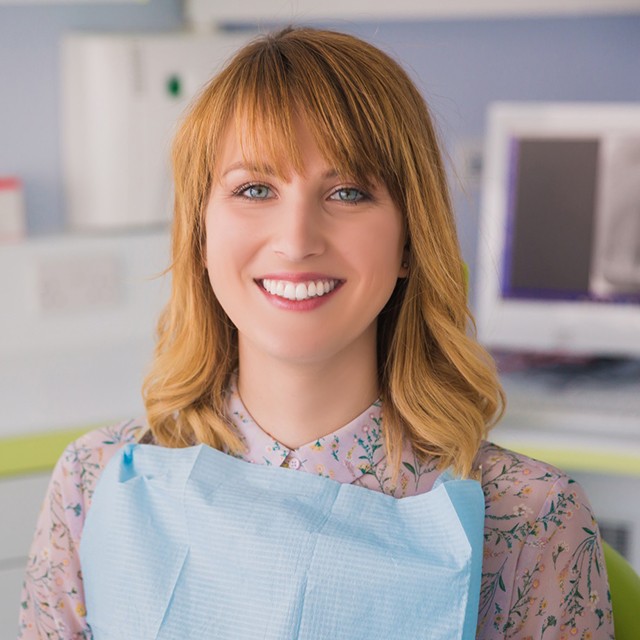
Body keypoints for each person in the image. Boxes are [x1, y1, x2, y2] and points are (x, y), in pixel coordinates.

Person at [18, 26, 613, 639]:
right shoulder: (94, 482)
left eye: (348, 192)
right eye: (255, 189)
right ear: (199, 236)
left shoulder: (527, 519)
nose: (297, 240)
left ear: (409, 240)